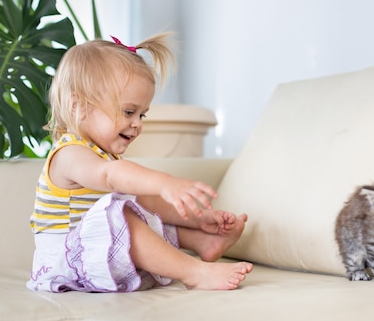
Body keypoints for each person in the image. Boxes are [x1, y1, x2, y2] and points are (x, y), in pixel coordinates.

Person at [27, 33, 253, 292]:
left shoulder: (103, 154)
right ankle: (195, 273)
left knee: (138, 206)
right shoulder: (70, 154)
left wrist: (197, 218)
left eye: (142, 114)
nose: (137, 124)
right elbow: (111, 175)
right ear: (79, 105)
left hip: (96, 255)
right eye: (128, 112)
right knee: (122, 214)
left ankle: (202, 240)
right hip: (65, 263)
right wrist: (165, 183)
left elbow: (145, 199)